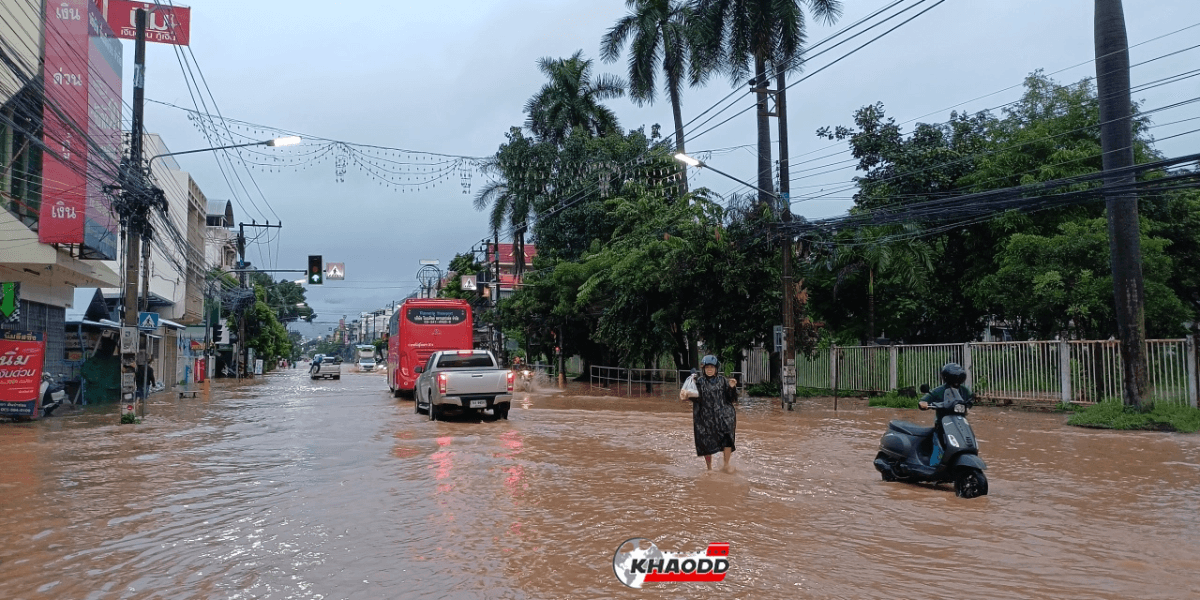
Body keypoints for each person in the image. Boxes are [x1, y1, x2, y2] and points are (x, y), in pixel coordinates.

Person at [684, 355, 739, 472]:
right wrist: (688, 392)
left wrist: (732, 388)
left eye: (712, 367)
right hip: (705, 417)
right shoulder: (699, 382)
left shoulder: (722, 381)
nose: (709, 369)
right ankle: (709, 469)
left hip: (723, 416)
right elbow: (693, 397)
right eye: (707, 367)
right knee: (705, 441)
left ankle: (726, 464)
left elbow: (731, 399)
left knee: (727, 439)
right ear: (704, 369)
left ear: (716, 368)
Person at [918, 362, 972, 465]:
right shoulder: (939, 391)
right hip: (942, 426)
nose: (957, 379)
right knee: (938, 447)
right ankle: (933, 467)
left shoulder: (964, 391)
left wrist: (968, 406)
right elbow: (924, 401)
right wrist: (924, 404)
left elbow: (969, 402)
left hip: (960, 424)